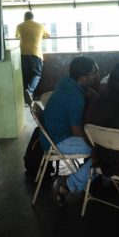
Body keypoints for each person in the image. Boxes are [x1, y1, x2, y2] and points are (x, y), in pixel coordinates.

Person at [40, 56, 99, 206]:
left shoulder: (66, 82)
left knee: (99, 149)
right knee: (103, 152)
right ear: (83, 77)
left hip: (49, 136)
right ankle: (68, 183)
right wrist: (92, 145)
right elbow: (76, 131)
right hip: (58, 141)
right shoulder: (75, 96)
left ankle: (87, 174)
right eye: (93, 73)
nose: (95, 76)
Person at [15, 11, 50, 102]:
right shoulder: (40, 26)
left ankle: (25, 98)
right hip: (36, 53)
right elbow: (48, 36)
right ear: (32, 17)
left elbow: (16, 36)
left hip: (22, 53)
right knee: (36, 75)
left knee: (25, 76)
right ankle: (30, 92)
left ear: (24, 18)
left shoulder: (20, 25)